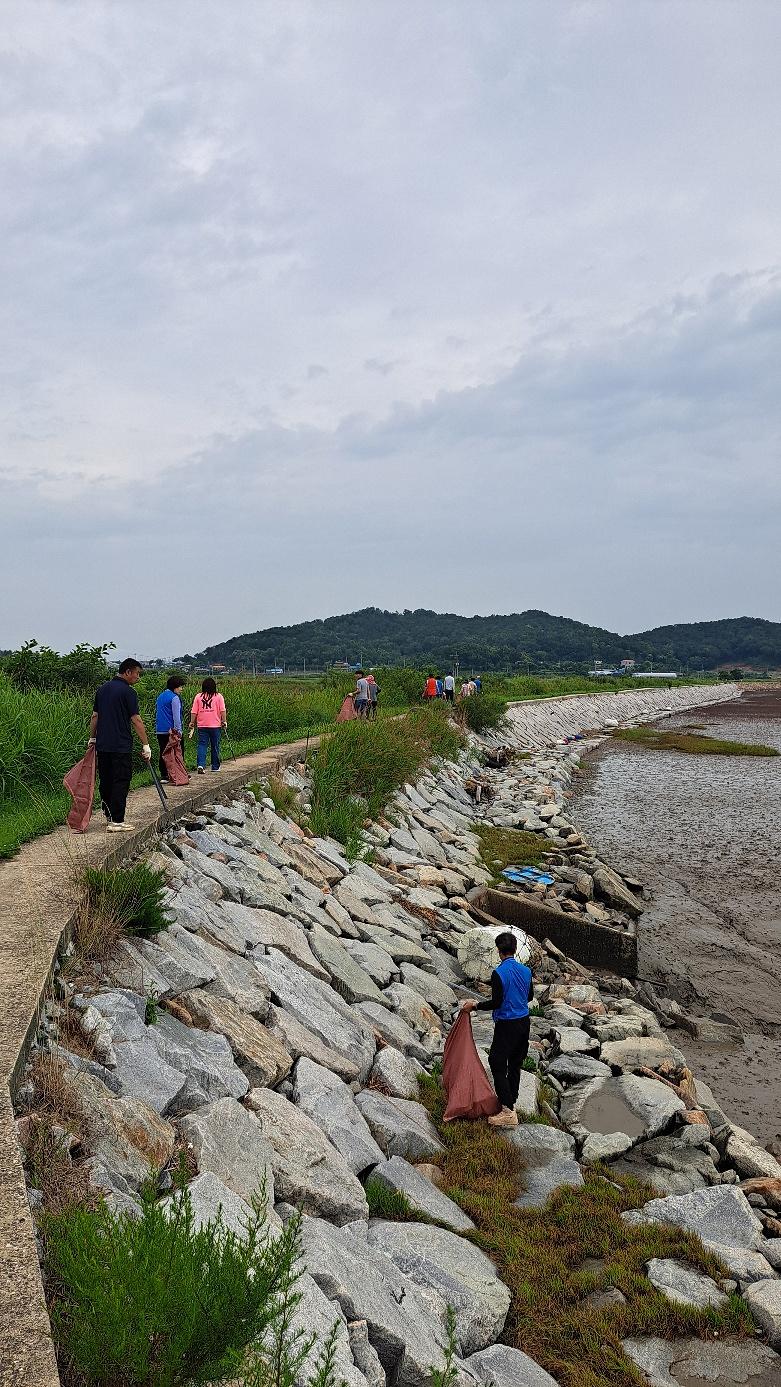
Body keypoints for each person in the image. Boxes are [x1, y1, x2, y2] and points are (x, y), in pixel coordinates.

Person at [460, 931, 534, 1129]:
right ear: (515, 950)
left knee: (497, 1062)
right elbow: (528, 997)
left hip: (507, 1024)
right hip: (524, 1023)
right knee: (515, 1063)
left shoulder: (499, 973)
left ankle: (508, 1112)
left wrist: (474, 1005)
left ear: (499, 952)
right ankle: (511, 1101)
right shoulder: (526, 971)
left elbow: (497, 1002)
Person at [89, 658, 152, 832]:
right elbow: (136, 720)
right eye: (137, 673)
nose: (138, 677)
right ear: (127, 672)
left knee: (106, 780)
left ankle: (109, 816)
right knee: (121, 780)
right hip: (121, 745)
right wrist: (145, 744)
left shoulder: (102, 690)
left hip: (103, 744)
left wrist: (92, 738)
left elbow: (95, 716)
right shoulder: (128, 692)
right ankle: (117, 821)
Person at [189, 677, 227, 773]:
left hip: (202, 725)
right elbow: (222, 710)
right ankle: (215, 766)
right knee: (215, 745)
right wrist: (224, 721)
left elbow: (194, 711)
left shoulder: (198, 696)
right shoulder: (218, 696)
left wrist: (192, 722)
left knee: (202, 745)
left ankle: (201, 764)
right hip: (215, 725)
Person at [155, 675, 185, 782]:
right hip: (172, 731)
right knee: (177, 753)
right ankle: (178, 773)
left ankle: (164, 775)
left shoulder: (160, 696)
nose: (181, 689)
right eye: (180, 687)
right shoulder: (174, 698)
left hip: (160, 729)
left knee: (163, 752)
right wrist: (179, 731)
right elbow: (176, 716)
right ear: (175, 687)